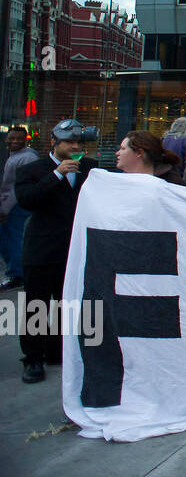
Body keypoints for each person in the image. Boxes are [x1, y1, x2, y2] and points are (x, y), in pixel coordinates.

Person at [14, 119, 100, 384]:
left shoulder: (90, 168)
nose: (75, 147)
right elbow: (28, 200)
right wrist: (57, 174)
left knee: (70, 303)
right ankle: (33, 359)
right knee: (37, 306)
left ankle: (59, 350)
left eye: (79, 143)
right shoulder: (33, 169)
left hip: (77, 248)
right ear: (54, 142)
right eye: (69, 142)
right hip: (42, 248)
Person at [0, 126, 40, 291]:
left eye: (19, 138)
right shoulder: (15, 156)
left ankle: (17, 276)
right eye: (12, 138)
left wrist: (5, 210)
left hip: (16, 207)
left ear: (26, 140)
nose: (15, 141)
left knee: (13, 241)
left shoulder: (27, 158)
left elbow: (17, 188)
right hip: (11, 205)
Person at [116, 131, 184, 184]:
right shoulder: (119, 182)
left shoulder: (171, 185)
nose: (117, 153)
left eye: (123, 148)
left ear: (139, 153)